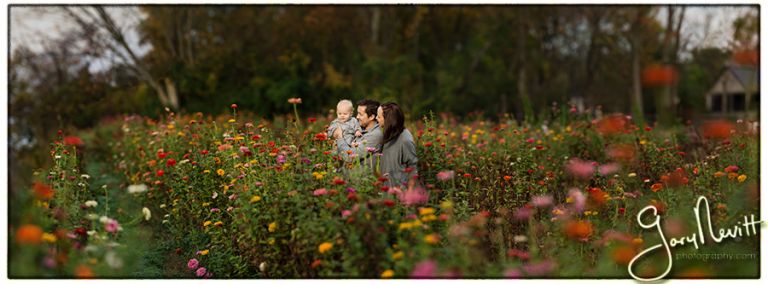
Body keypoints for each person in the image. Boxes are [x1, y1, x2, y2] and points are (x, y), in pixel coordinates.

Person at [376, 102, 418, 187]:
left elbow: (413, 168)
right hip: (387, 189)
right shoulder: (389, 134)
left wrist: (410, 192)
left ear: (388, 119)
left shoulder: (405, 140)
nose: (376, 118)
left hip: (399, 191)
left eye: (379, 117)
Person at [333, 99, 383, 169]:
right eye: (357, 113)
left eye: (360, 114)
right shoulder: (358, 128)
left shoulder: (375, 135)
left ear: (371, 117)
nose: (357, 117)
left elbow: (349, 157)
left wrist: (340, 138)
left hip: (359, 175)